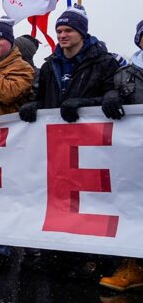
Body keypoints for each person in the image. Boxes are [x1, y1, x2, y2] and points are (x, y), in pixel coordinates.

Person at [97, 19, 143, 292]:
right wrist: (110, 95)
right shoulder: (124, 73)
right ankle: (133, 265)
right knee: (133, 205)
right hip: (134, 152)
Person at [19, 5, 120, 124]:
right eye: (59, 31)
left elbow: (112, 95)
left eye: (68, 30)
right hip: (57, 133)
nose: (62, 35)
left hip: (91, 133)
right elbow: (43, 99)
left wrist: (83, 103)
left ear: (82, 33)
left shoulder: (104, 62)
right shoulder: (49, 66)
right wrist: (34, 105)